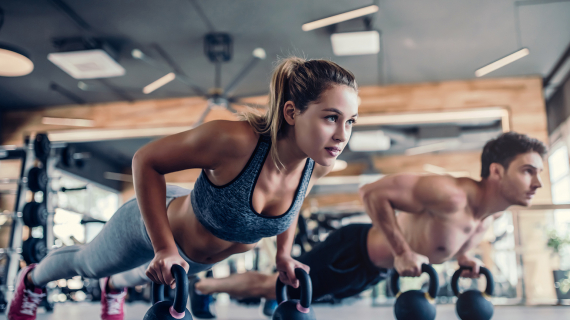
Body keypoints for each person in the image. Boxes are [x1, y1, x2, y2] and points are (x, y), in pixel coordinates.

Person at [7, 57, 360, 320]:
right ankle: (33, 279)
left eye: (350, 122)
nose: (343, 135)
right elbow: (146, 160)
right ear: (291, 112)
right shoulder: (233, 141)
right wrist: (163, 247)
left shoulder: (317, 165)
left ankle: (113, 289)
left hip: (191, 261)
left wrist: (284, 253)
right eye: (331, 117)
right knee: (89, 264)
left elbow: (292, 206)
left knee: (141, 273)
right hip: (153, 227)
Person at [189, 131, 546, 317]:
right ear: (497, 172)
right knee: (273, 287)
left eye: (540, 173)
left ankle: (210, 288)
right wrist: (403, 250)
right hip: (353, 252)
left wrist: (465, 257)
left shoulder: (490, 214)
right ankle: (204, 288)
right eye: (528, 171)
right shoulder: (450, 193)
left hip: (369, 271)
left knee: (287, 292)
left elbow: (454, 235)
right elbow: (371, 192)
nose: (538, 183)